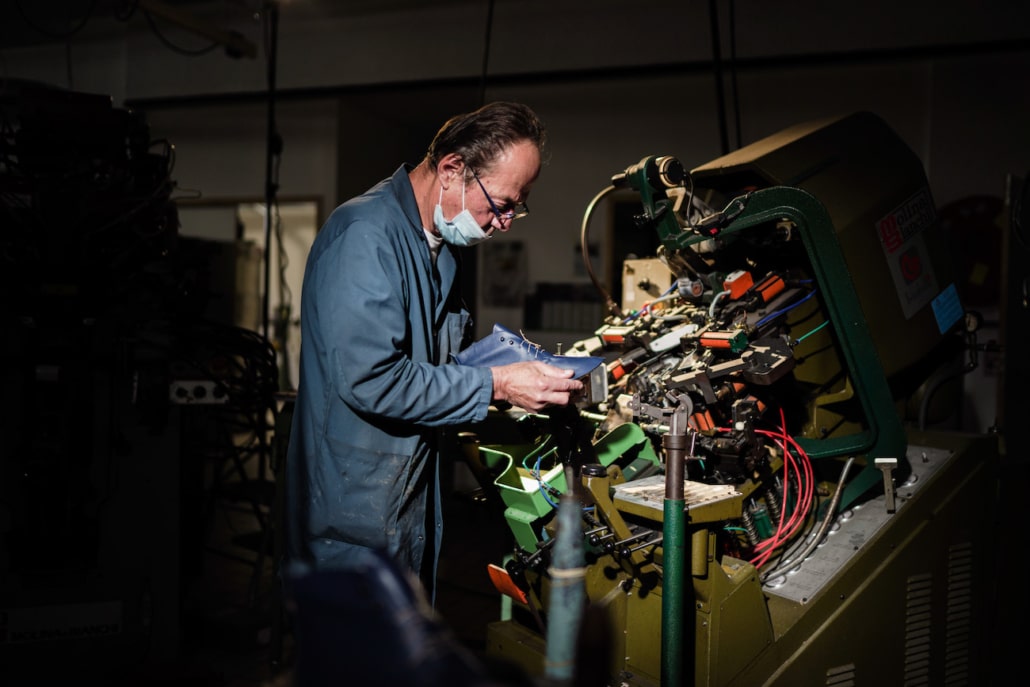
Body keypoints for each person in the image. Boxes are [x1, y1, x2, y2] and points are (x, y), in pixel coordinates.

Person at [284, 101, 583, 593]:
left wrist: (511, 369)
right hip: (350, 511)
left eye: (518, 206)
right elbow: (372, 379)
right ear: (451, 169)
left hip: (403, 496)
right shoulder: (365, 236)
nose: (507, 221)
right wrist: (499, 383)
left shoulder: (435, 248)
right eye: (504, 202)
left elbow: (435, 365)